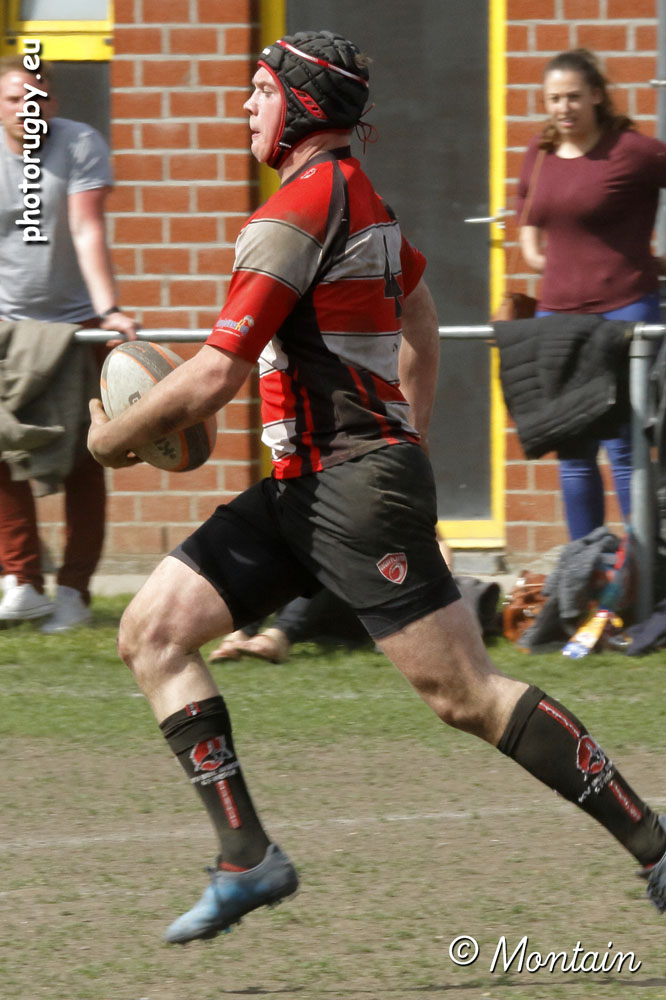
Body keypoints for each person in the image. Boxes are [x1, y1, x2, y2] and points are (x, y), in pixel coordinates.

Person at [88, 31, 666, 945]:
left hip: (350, 487)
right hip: (307, 485)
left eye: (260, 90)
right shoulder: (363, 199)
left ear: (301, 105)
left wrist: (110, 439)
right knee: (151, 632)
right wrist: (412, 442)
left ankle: (656, 848)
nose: (245, 106)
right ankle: (247, 857)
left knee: (467, 695)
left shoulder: (295, 211)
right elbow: (421, 322)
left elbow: (213, 377)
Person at [0, 56, 138, 632]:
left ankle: (74, 595)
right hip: (7, 325)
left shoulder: (80, 144)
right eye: (14, 99)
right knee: (4, 449)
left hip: (77, 325)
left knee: (86, 455)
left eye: (36, 99)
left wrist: (108, 310)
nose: (26, 109)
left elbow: (85, 228)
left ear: (52, 105)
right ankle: (22, 582)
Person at [517, 48, 666, 541]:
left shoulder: (633, 152)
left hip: (624, 312)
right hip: (557, 318)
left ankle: (642, 571)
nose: (563, 108)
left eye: (573, 97)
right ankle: (588, 569)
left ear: (597, 96)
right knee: (573, 451)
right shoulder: (540, 151)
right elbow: (528, 213)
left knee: (623, 446)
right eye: (554, 99)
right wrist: (542, 256)